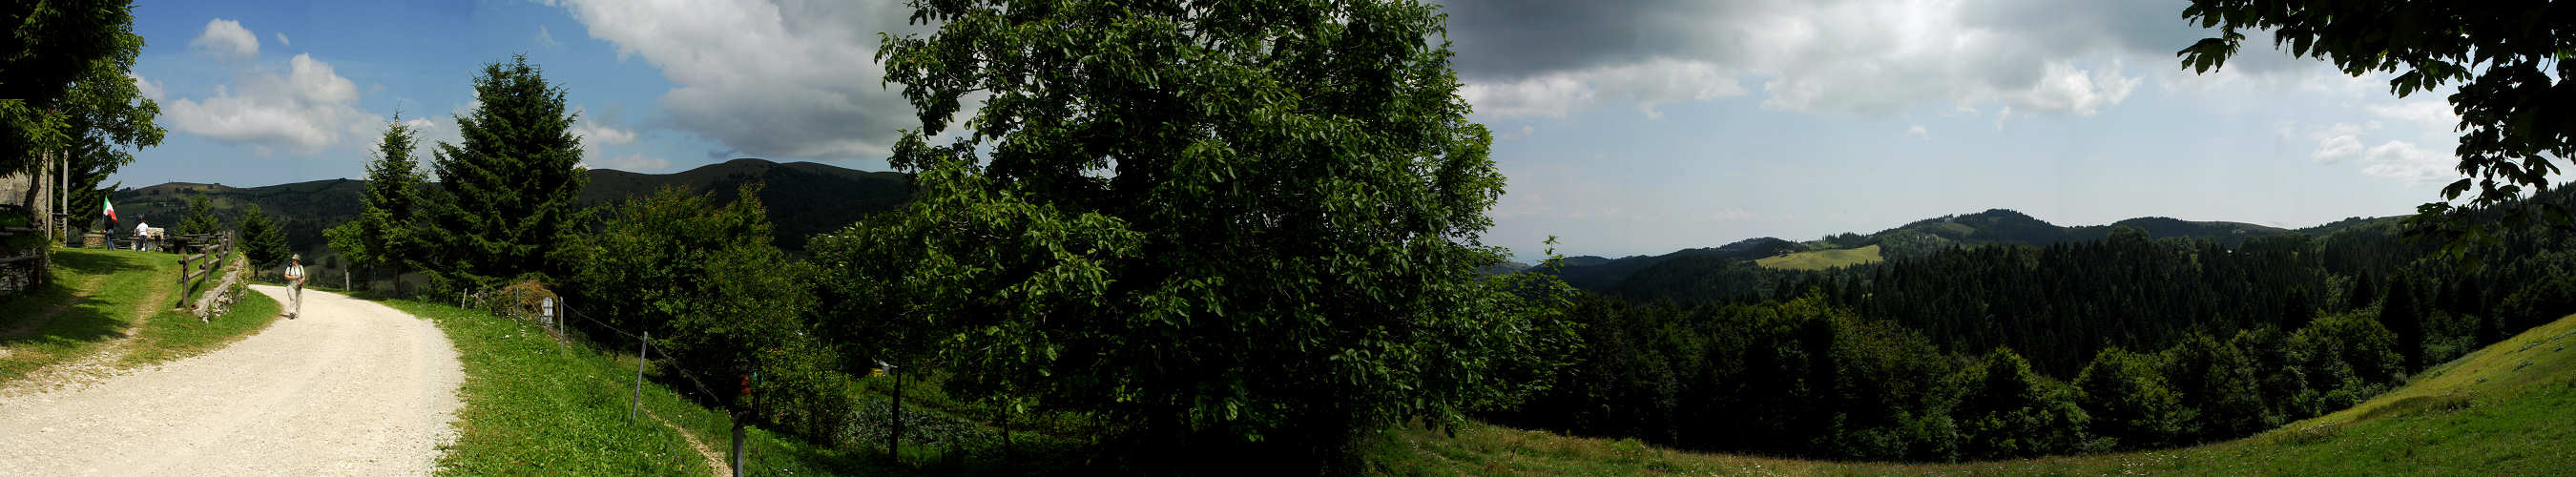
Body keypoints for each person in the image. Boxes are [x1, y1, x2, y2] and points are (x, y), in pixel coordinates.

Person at [283, 254, 305, 319]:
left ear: (297, 260)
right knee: (293, 298)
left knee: (299, 300)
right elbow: (286, 276)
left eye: (294, 259)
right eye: (292, 259)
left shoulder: (301, 267)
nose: (293, 261)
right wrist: (294, 277)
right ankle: (292, 312)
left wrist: (301, 281)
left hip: (298, 286)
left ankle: (297, 313)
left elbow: (303, 277)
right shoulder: (289, 267)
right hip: (290, 285)